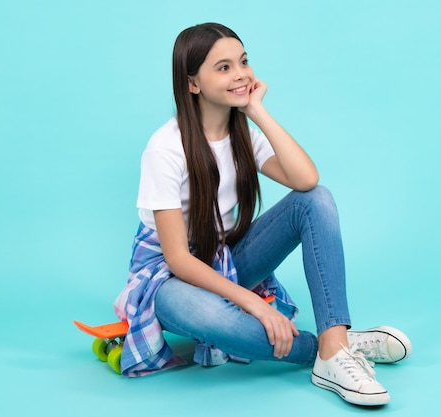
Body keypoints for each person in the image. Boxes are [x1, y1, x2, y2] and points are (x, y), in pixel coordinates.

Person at [113, 22, 412, 407]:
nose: (240, 74)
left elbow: (306, 181)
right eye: (223, 68)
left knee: (316, 200)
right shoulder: (165, 149)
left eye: (243, 61)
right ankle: (325, 349)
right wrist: (253, 303)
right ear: (193, 84)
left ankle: (334, 345)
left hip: (223, 259)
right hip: (169, 278)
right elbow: (178, 259)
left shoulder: (242, 135)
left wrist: (257, 111)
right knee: (209, 317)